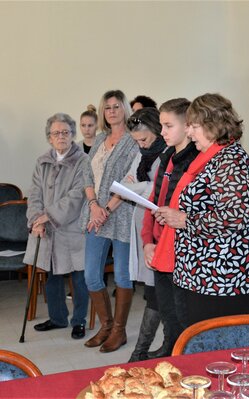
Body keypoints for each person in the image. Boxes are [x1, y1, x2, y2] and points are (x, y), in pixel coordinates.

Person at [154, 93, 249, 326]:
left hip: (223, 278)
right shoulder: (210, 158)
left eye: (193, 126)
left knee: (219, 351)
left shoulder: (230, 161)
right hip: (200, 275)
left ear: (212, 124)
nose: (189, 132)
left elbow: (233, 218)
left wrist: (184, 220)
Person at [81, 89, 138, 353]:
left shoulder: (133, 140)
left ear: (125, 109)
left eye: (117, 106)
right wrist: (94, 206)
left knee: (123, 276)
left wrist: (107, 208)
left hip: (121, 213)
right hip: (95, 215)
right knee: (92, 275)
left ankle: (119, 331)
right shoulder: (100, 139)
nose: (112, 111)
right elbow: (86, 176)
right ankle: (105, 326)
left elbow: (131, 179)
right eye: (108, 107)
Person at [141, 98, 198, 357]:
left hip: (179, 250)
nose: (161, 132)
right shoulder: (167, 156)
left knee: (181, 312)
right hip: (159, 245)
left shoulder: (195, 161)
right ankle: (168, 348)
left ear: (187, 126)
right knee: (166, 311)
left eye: (167, 125)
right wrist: (147, 242)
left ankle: (178, 355)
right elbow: (153, 202)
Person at [24, 113, 88, 340]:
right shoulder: (42, 161)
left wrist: (47, 216)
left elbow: (76, 197)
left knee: (78, 278)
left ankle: (79, 321)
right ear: (49, 137)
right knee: (51, 276)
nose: (61, 136)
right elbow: (34, 194)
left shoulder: (82, 161)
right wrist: (35, 220)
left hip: (72, 229)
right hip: (47, 229)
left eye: (66, 132)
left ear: (72, 135)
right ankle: (58, 318)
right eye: (56, 133)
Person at [121, 108, 167, 361]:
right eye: (137, 140)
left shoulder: (167, 155)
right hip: (144, 224)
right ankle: (148, 350)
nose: (140, 145)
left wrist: (144, 187)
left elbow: (159, 189)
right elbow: (127, 184)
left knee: (158, 291)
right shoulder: (143, 154)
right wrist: (145, 187)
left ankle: (143, 351)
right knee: (153, 289)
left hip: (162, 226)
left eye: (144, 139)